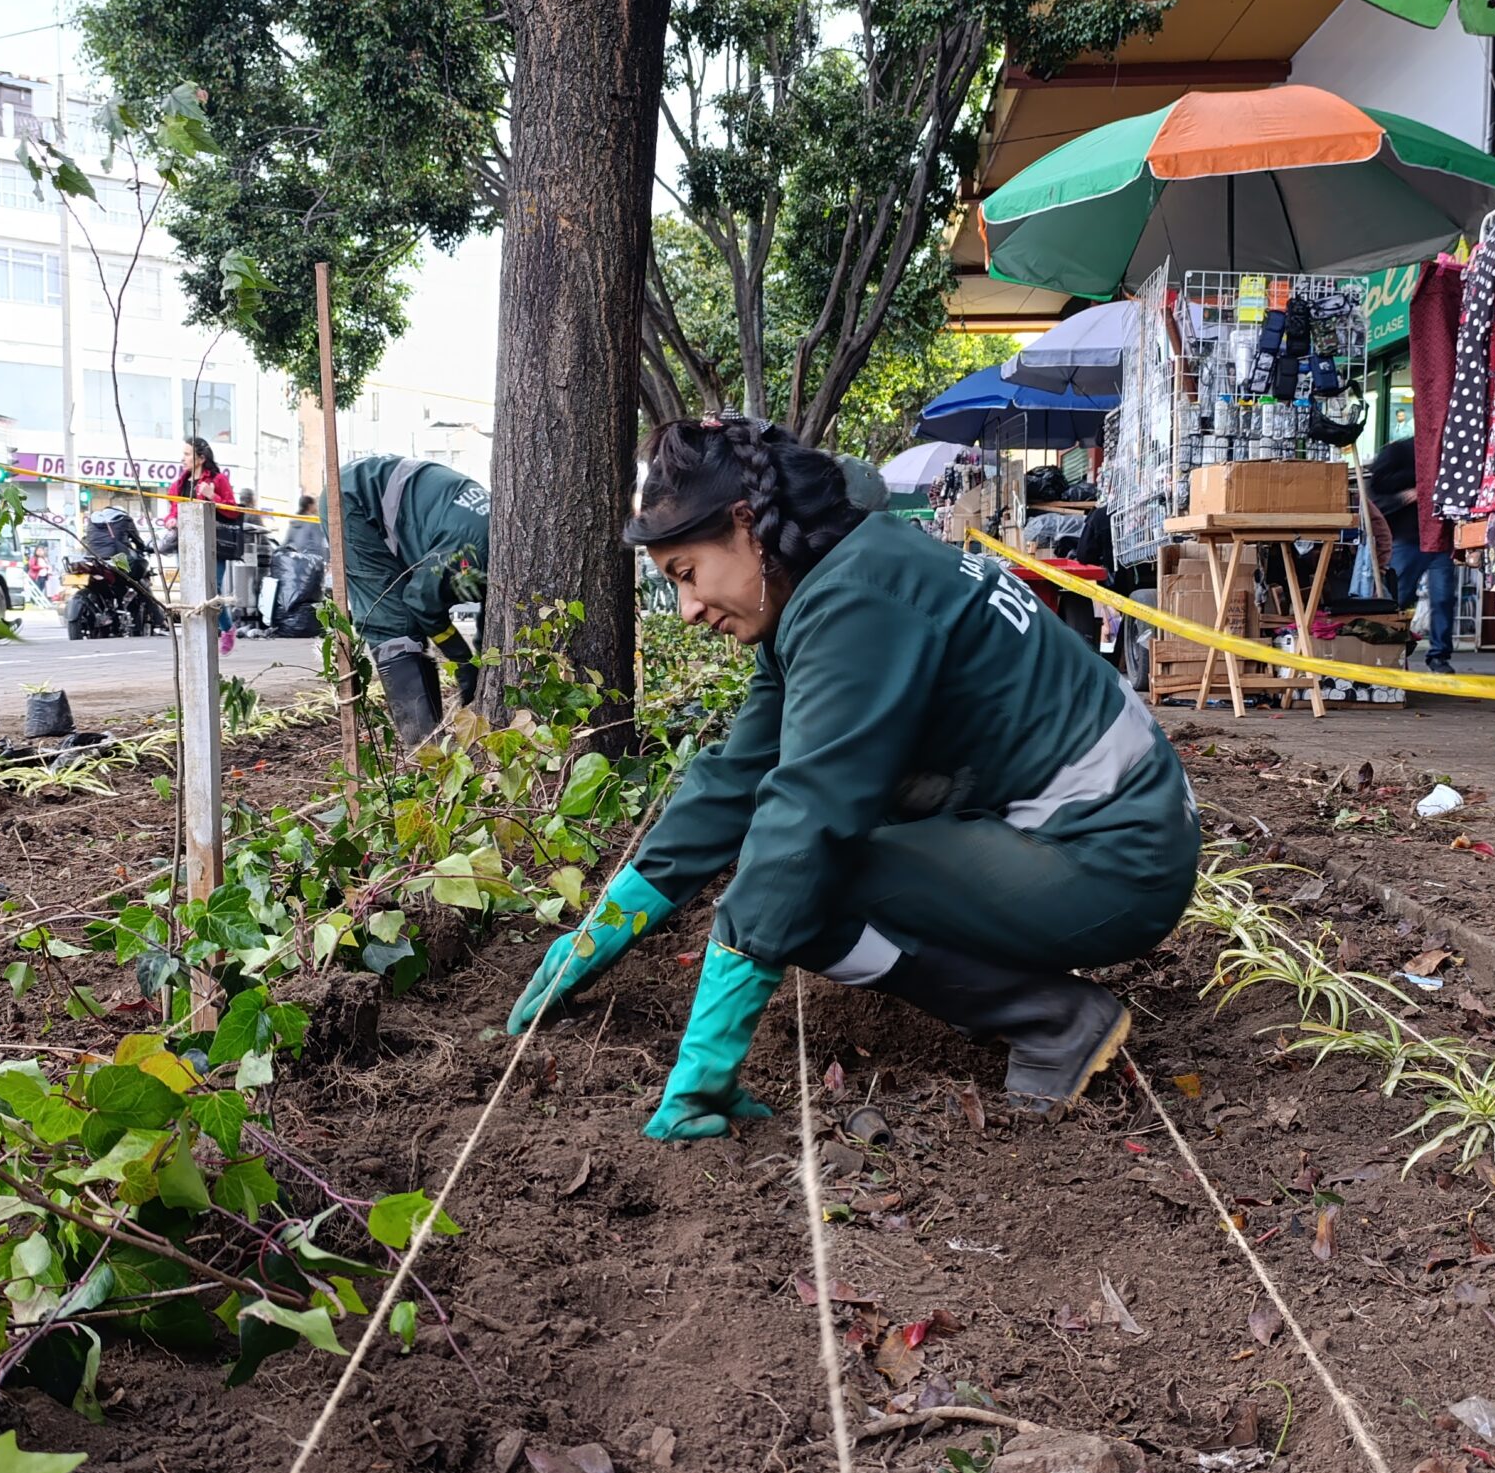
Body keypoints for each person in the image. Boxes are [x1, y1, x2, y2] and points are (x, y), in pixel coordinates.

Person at [505, 415, 1200, 1141]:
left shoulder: (858, 603)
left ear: (747, 525)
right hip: (1103, 828)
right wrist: (604, 929)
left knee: (808, 882)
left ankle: (1053, 1020)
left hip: (1115, 858)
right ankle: (1040, 1007)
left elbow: (804, 821)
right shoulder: (834, 583)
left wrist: (708, 1058)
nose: (687, 610)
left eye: (687, 575)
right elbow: (736, 779)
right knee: (796, 871)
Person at [338, 454, 490, 746]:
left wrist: (477, 663)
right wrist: (461, 656)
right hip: (356, 498)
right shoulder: (469, 551)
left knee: (417, 617)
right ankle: (425, 750)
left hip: (402, 495)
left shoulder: (492, 547)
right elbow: (421, 600)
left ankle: (434, 745)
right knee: (395, 625)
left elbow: (483, 611)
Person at [1367, 432, 1456, 674]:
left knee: (1443, 598)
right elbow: (1377, 485)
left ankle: (1438, 656)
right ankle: (1389, 647)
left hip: (1438, 537)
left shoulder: (1448, 452)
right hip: (1409, 537)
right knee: (1399, 597)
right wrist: (1414, 487)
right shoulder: (1399, 451)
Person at [166, 438, 240, 653]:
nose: (183, 459)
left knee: (211, 589)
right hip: (187, 543)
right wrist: (171, 520)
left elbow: (233, 511)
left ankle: (226, 628)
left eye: (188, 454)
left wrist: (212, 496)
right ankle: (200, 635)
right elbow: (173, 510)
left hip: (214, 544)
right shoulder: (179, 484)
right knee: (190, 589)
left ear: (201, 458)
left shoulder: (218, 479)